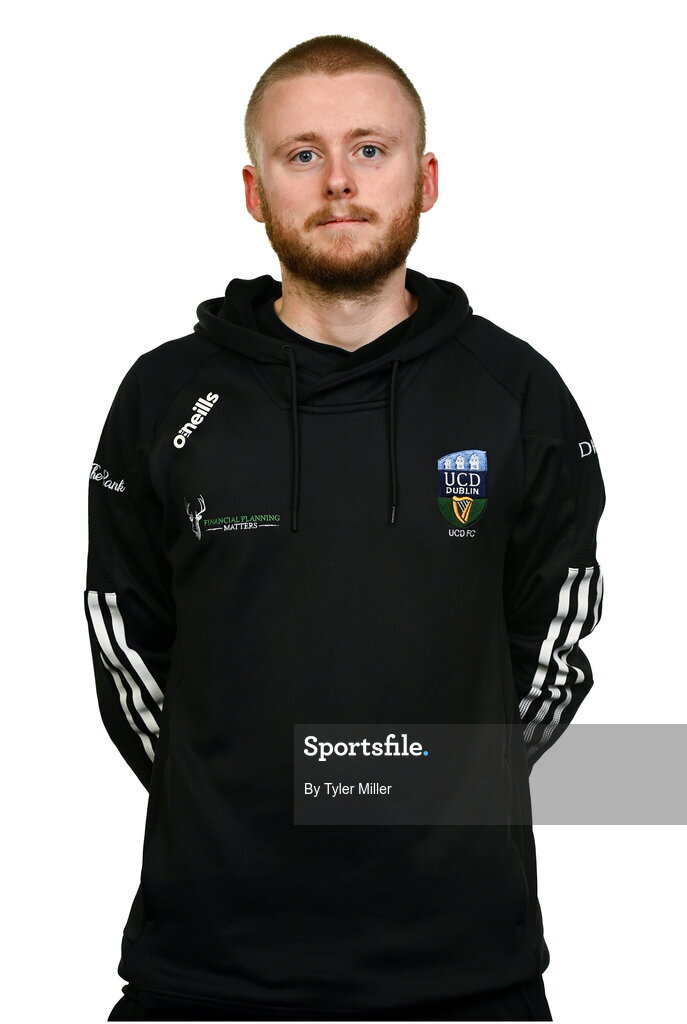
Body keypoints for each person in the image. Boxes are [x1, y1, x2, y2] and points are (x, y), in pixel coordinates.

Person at [84, 34, 605, 1022]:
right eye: (301, 154)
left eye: (370, 148)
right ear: (254, 188)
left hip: (466, 975)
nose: (338, 182)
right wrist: (228, 804)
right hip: (206, 973)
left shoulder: (516, 394)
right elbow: (123, 638)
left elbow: (557, 639)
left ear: (427, 176)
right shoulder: (165, 396)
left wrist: (428, 796)